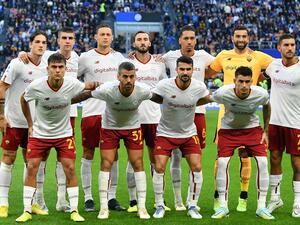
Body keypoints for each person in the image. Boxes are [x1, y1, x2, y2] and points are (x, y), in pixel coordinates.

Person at [16, 53, 97, 222]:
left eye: (61, 67)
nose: (58, 70)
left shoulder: (72, 84)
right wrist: (30, 123)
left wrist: (98, 85)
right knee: (32, 167)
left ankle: (74, 210)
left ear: (66, 70)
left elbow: (87, 87)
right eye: (54, 67)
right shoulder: (36, 86)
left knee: (69, 168)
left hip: (63, 134)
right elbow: (23, 99)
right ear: (48, 69)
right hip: (40, 134)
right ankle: (27, 210)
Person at [206, 25, 274, 212]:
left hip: (248, 111)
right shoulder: (223, 56)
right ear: (232, 38)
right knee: (221, 158)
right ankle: (219, 198)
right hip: (225, 113)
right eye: (238, 36)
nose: (241, 39)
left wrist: (261, 78)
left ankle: (243, 197)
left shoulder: (258, 56)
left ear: (248, 38)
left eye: (244, 36)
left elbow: (278, 66)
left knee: (246, 157)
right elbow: (205, 73)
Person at [73, 61, 152, 219]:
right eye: (125, 77)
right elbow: (87, 94)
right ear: (118, 77)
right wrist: (65, 101)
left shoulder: (143, 90)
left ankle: (142, 207)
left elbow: (159, 98)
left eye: (131, 77)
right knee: (106, 163)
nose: (128, 80)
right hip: (110, 128)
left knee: (138, 163)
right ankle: (104, 207)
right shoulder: (107, 90)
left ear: (136, 76)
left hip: (133, 128)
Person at [19, 27, 79, 213]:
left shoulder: (79, 58)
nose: (67, 41)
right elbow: (32, 57)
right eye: (64, 38)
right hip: (45, 114)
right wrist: (23, 54)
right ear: (58, 40)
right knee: (40, 160)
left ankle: (62, 200)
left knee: (65, 161)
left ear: (74, 40)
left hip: (69, 112)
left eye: (70, 38)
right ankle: (38, 200)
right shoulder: (48, 57)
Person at [162, 25, 215, 210]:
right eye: (186, 38)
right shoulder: (169, 56)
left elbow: (218, 66)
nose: (190, 42)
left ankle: (191, 200)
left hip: (197, 113)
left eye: (192, 38)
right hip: (175, 113)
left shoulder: (204, 56)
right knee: (175, 157)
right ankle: (178, 201)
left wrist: (207, 75)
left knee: (195, 157)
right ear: (180, 40)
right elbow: (152, 62)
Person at [151, 56, 210, 219]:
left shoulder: (199, 87)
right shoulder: (165, 85)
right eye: (182, 69)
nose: (185, 72)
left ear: (192, 70)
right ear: (176, 70)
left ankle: (192, 204)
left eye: (188, 69)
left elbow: (206, 98)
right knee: (159, 167)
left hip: (188, 133)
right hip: (165, 133)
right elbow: (154, 97)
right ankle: (159, 205)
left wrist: (190, 103)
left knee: (197, 166)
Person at [0, 31, 49, 218]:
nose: (41, 45)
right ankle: (3, 204)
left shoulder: (47, 65)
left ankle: (32, 204)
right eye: (37, 42)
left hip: (35, 124)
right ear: (30, 44)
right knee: (8, 159)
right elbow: (2, 87)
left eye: (44, 42)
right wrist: (1, 117)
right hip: (14, 121)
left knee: (32, 163)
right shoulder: (17, 63)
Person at [78, 24, 125, 212]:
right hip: (91, 112)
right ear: (96, 37)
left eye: (108, 34)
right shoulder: (85, 57)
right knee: (88, 152)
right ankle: (88, 197)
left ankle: (112, 196)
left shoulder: (118, 58)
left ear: (112, 38)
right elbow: (72, 75)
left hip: (114, 114)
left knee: (113, 156)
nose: (105, 37)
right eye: (102, 34)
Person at [126, 31, 168, 213]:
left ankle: (159, 199)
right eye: (139, 39)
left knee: (155, 160)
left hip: (153, 118)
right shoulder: (127, 64)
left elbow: (165, 87)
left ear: (149, 43)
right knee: (133, 160)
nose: (142, 42)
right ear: (133, 43)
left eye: (145, 39)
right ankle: (133, 201)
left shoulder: (159, 64)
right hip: (132, 118)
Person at [265, 34, 300, 218]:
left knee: (297, 163)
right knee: (275, 159)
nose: (290, 48)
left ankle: (298, 202)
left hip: (296, 123)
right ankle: (275, 198)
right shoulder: (273, 66)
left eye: (292, 45)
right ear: (279, 47)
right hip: (275, 122)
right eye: (286, 45)